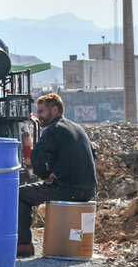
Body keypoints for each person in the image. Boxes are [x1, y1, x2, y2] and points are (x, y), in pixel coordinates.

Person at [18, 92, 96, 257]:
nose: (39, 116)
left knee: (21, 195)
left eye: (42, 112)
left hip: (68, 189)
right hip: (89, 190)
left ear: (54, 110)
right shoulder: (77, 127)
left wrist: (45, 175)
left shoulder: (53, 130)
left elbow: (36, 157)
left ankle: (24, 245)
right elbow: (93, 153)